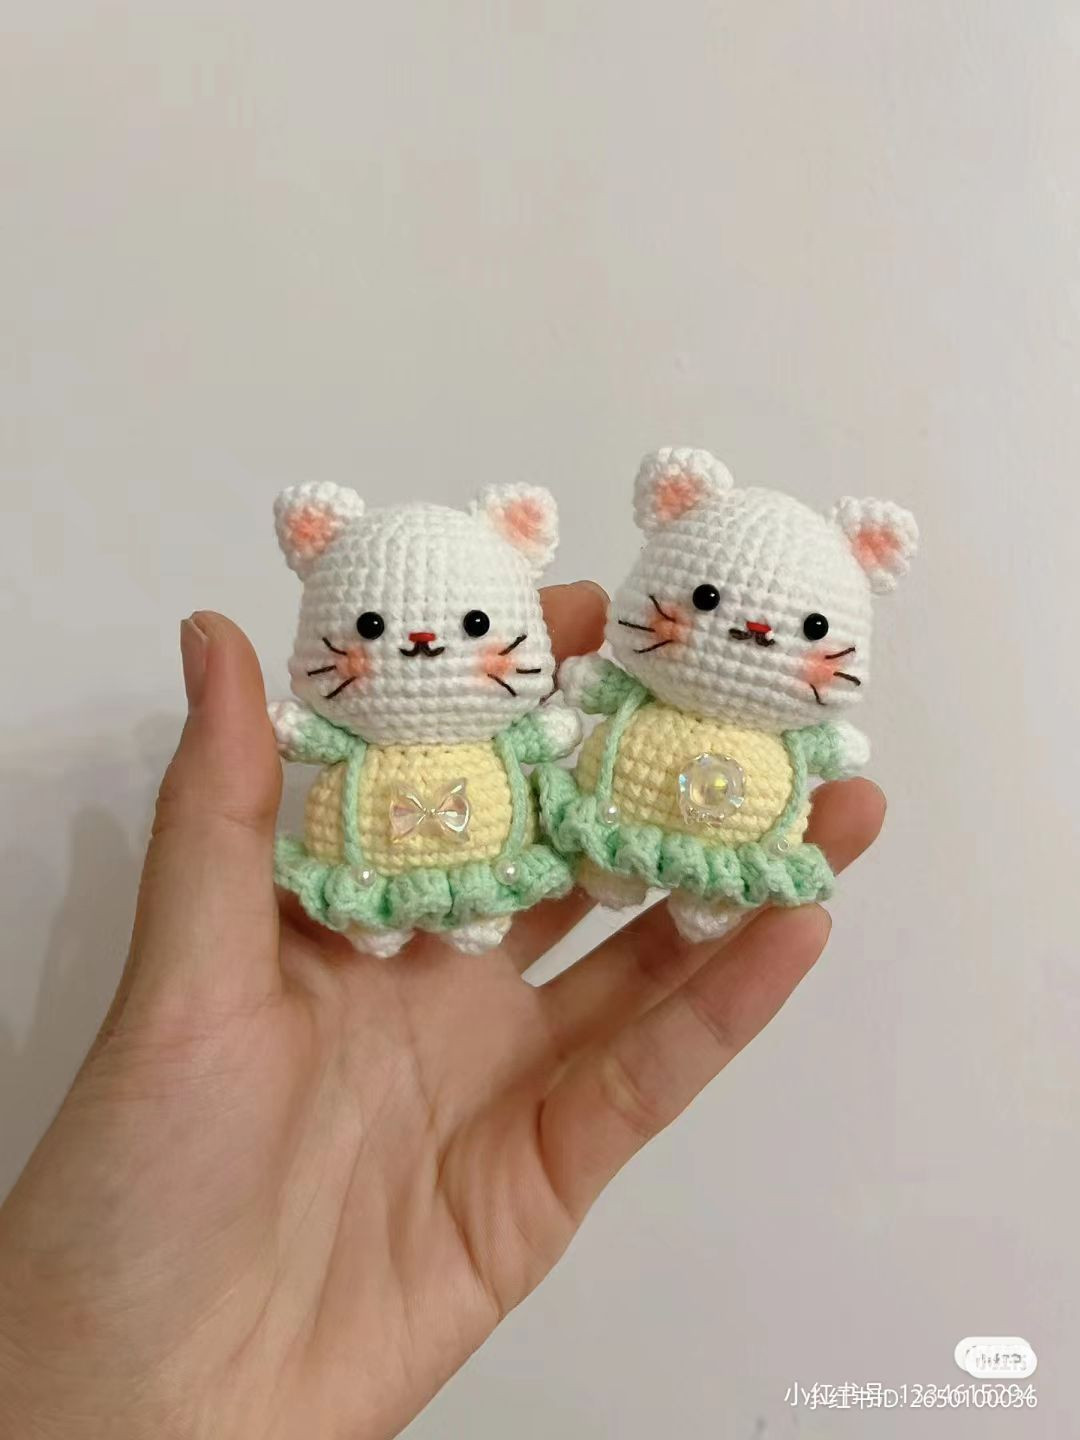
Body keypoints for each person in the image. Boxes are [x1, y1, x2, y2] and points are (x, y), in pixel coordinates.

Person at [0, 585, 883, 1439]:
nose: (422, 648)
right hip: (399, 849)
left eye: (467, 623)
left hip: (595, 827)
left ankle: (608, 879)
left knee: (657, 905)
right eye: (376, 625)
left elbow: (575, 714)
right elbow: (530, 708)